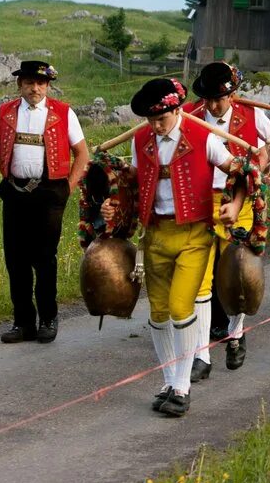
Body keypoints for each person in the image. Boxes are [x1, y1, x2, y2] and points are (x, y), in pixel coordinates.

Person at [103, 78, 246, 418]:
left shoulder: (205, 139)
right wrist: (113, 204)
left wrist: (235, 205)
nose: (155, 126)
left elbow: (242, 173)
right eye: (151, 120)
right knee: (158, 313)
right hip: (155, 235)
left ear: (177, 109)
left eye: (162, 118)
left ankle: (182, 387)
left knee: (182, 307)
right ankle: (169, 382)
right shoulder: (142, 140)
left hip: (195, 235)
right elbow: (134, 184)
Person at [0, 61, 90, 344]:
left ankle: (48, 318)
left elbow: (82, 154)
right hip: (14, 193)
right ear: (19, 85)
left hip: (50, 195)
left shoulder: (63, 113)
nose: (34, 88)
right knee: (16, 260)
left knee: (44, 259)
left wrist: (67, 188)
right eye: (28, 82)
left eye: (40, 83)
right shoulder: (5, 113)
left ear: (47, 85)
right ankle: (23, 323)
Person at [184, 62, 270, 380]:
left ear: (232, 94)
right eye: (207, 98)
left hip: (242, 202)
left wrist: (263, 161)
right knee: (200, 279)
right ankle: (201, 355)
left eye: (218, 99)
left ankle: (236, 335)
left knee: (237, 274)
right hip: (200, 204)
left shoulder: (253, 117)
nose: (212, 105)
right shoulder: (192, 117)